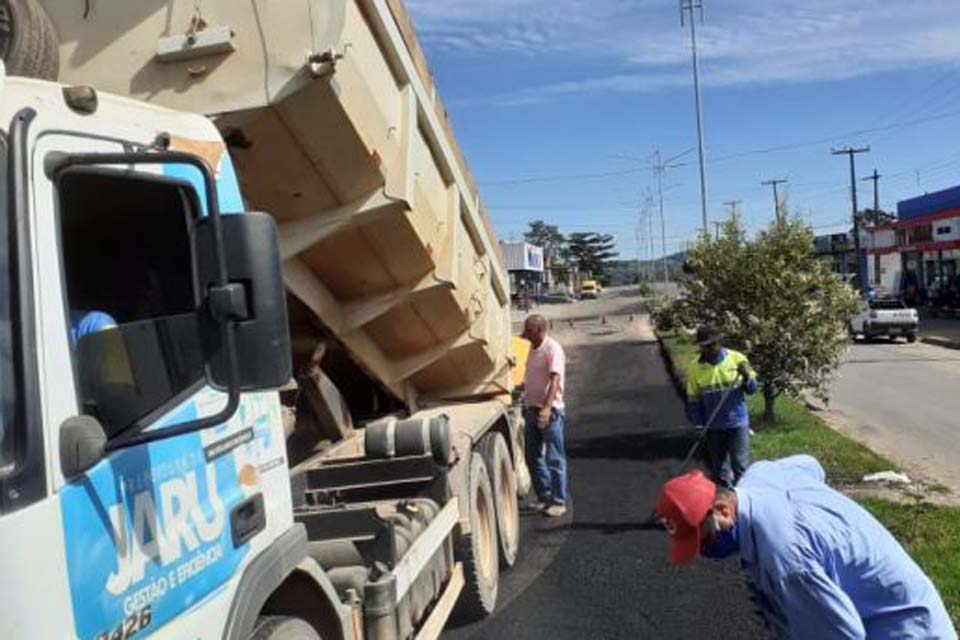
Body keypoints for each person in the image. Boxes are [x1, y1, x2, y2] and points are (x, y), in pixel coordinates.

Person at [654, 455, 957, 639]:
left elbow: (841, 635)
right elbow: (811, 465)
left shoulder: (788, 561)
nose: (704, 550)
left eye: (703, 538)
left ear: (721, 509)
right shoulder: (761, 475)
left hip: (905, 630)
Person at [685, 326, 758, 487]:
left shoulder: (737, 358)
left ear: (719, 342)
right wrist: (698, 424)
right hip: (713, 425)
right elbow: (693, 399)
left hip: (737, 422)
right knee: (719, 469)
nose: (708, 349)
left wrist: (747, 377)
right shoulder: (694, 367)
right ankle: (725, 500)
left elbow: (752, 389)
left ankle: (743, 503)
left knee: (741, 465)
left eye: (711, 345)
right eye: (704, 346)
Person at [521, 314, 568, 517]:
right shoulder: (532, 349)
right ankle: (544, 495)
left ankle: (559, 501)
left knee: (554, 457)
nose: (525, 334)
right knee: (532, 455)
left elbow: (555, 379)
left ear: (539, 330)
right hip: (532, 409)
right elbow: (531, 378)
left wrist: (547, 408)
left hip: (550, 411)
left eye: (528, 330)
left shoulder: (553, 348)